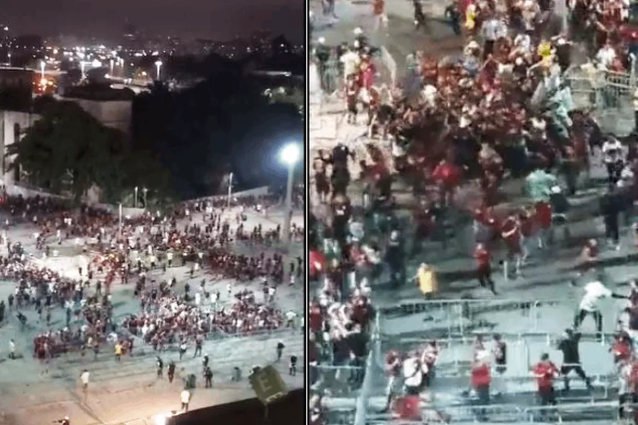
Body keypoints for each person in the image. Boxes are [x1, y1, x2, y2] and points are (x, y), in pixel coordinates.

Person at [531, 353, 559, 421]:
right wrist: (540, 375)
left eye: (545, 360)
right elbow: (532, 373)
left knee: (551, 401)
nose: (544, 361)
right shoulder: (538, 365)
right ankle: (542, 416)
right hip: (541, 387)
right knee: (543, 401)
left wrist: (555, 375)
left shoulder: (551, 365)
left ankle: (551, 414)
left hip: (549, 386)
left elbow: (556, 373)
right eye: (543, 360)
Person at [470, 350, 491, 422]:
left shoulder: (483, 363)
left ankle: (482, 414)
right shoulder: (476, 364)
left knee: (485, 399)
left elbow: (487, 371)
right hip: (479, 384)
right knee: (482, 399)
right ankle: (480, 415)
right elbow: (474, 372)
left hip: (484, 383)